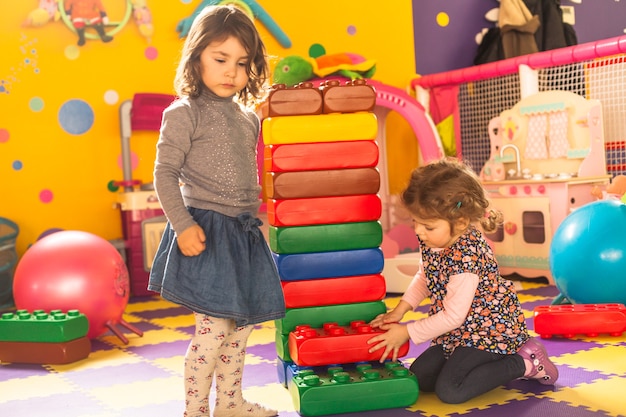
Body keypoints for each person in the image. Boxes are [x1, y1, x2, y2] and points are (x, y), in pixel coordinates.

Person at [148, 5, 285, 417]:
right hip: (206, 231)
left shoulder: (248, 118)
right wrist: (183, 225)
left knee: (241, 328)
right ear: (196, 57)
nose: (231, 72)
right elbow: (164, 174)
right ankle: (195, 410)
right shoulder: (183, 112)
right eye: (220, 59)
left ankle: (230, 403)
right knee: (212, 331)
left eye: (242, 63)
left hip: (242, 234)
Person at [367, 157, 558, 404]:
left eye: (427, 225)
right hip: (455, 333)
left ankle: (523, 363)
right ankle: (485, 365)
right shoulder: (435, 240)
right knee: (420, 378)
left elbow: (453, 316)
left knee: (451, 391)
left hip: (488, 333)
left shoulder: (466, 255)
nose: (418, 231)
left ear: (459, 222)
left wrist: (406, 332)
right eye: (415, 222)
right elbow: (425, 276)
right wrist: (402, 309)